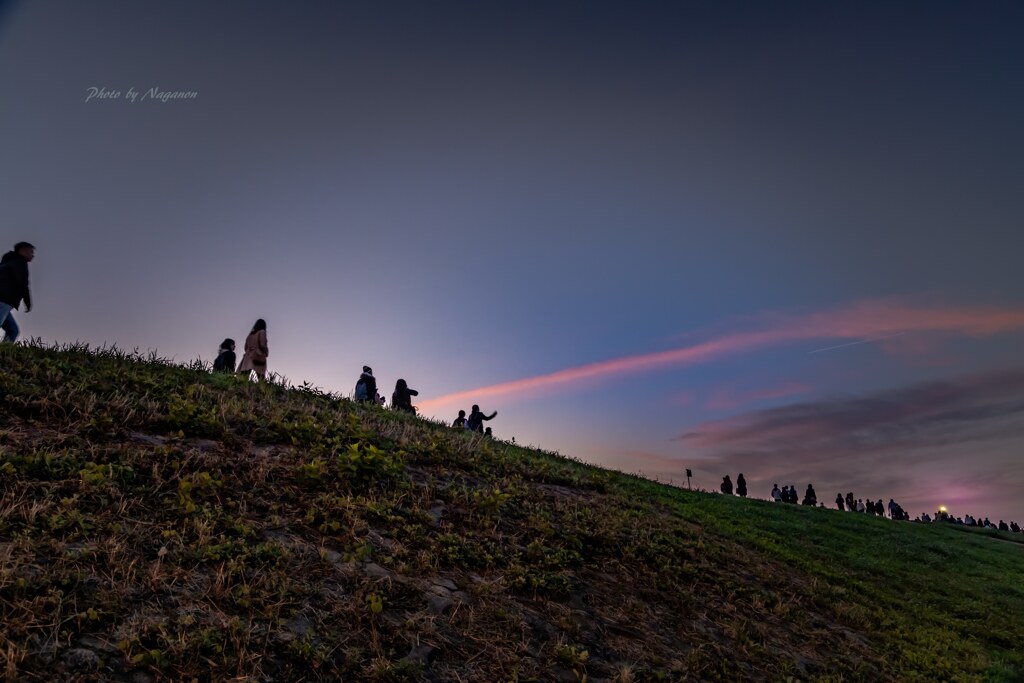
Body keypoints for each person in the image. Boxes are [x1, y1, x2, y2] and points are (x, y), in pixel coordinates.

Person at [0, 242, 35, 343]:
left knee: (13, 330)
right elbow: (23, 283)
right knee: (12, 330)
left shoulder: (6, 263)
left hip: (5, 301)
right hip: (3, 300)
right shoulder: (20, 263)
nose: (33, 255)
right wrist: (28, 302)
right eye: (31, 252)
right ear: (23, 250)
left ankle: (4, 351)